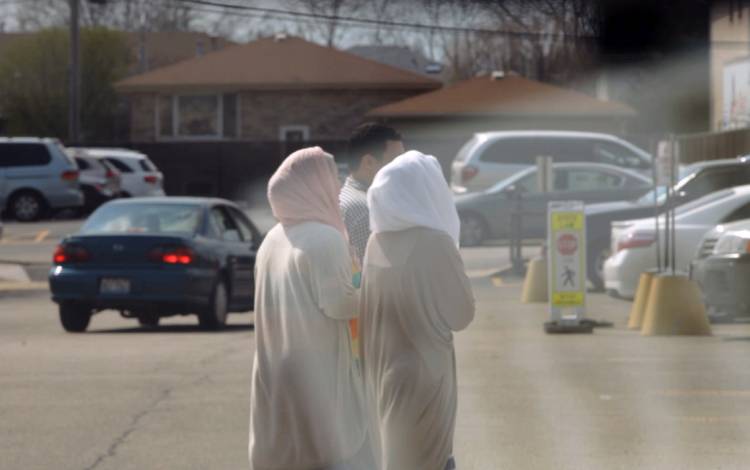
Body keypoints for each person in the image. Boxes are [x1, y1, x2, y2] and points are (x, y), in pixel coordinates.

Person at [248, 147, 371, 470]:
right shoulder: (324, 239)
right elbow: (341, 305)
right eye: (331, 176)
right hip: (318, 371)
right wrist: (371, 286)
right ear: (312, 185)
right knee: (332, 453)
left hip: (276, 369)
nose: (338, 183)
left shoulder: (273, 238)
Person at [360, 150, 476, 470]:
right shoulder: (435, 242)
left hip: (383, 369)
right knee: (432, 458)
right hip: (426, 373)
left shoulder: (375, 241)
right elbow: (462, 314)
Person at [340, 122, 404, 265]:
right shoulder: (365, 210)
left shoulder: (345, 195)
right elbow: (368, 276)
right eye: (396, 161)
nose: (404, 168)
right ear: (368, 162)